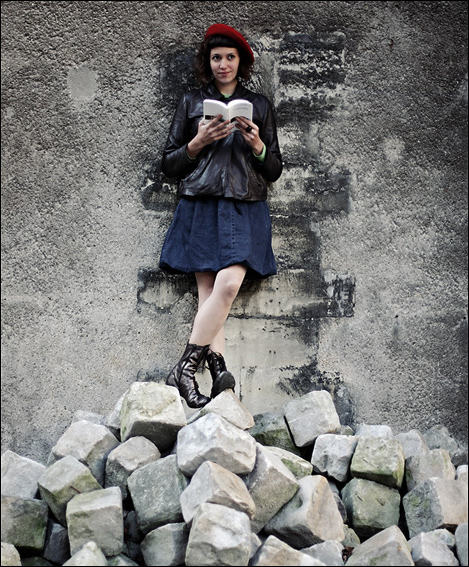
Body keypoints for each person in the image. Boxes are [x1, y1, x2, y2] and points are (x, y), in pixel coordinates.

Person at [159, 23, 283, 408]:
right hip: (201, 203)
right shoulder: (191, 102)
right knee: (209, 296)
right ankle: (220, 380)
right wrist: (198, 142)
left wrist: (258, 145)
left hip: (245, 205)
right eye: (216, 58)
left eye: (230, 57)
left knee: (227, 286)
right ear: (208, 62)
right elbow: (169, 164)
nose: (223, 64)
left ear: (241, 62)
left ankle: (183, 369)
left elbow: (274, 169)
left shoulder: (259, 105)